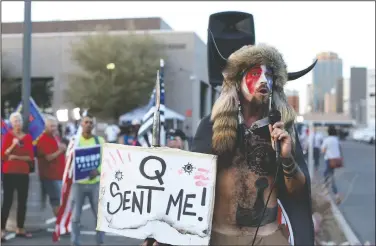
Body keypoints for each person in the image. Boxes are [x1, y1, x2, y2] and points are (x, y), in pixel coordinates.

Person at [142, 44, 316, 245]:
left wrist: (286, 157)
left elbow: (296, 192)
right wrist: (160, 236)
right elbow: (189, 186)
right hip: (219, 237)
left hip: (268, 238)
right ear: (237, 81)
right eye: (254, 73)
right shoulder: (212, 126)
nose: (263, 80)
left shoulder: (282, 130)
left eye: (269, 75)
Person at [70, 114, 105, 246]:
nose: (88, 124)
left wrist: (98, 170)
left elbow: (106, 158)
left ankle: (100, 241)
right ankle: (75, 242)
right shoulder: (75, 141)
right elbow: (69, 160)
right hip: (78, 184)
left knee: (99, 216)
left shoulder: (99, 141)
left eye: (91, 122)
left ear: (93, 125)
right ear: (81, 124)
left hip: (95, 184)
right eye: (86, 122)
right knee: (76, 216)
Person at [1, 112, 34, 241]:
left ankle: (20, 228)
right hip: (9, 172)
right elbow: (3, 155)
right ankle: (1, 230)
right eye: (15, 121)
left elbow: (30, 157)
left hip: (23, 173)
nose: (17, 123)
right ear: (11, 123)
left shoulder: (27, 138)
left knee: (22, 201)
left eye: (19, 121)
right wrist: (13, 145)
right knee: (7, 202)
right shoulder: (8, 136)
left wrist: (16, 157)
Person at [36, 115, 66, 217]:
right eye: (51, 126)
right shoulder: (43, 140)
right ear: (46, 127)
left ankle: (61, 223)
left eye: (55, 126)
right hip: (51, 176)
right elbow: (48, 157)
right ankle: (59, 223)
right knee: (56, 201)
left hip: (59, 174)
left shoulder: (56, 137)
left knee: (61, 200)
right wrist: (60, 151)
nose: (54, 128)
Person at [321, 125, 342, 204]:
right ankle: (326, 193)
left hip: (329, 160)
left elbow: (323, 150)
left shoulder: (327, 140)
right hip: (336, 160)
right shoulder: (336, 139)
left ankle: (333, 195)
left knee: (329, 177)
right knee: (328, 175)